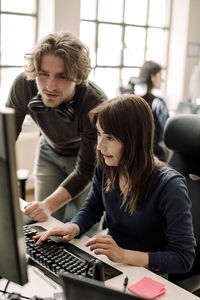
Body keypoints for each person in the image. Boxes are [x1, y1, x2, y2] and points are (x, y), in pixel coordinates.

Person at [33, 94, 196, 276]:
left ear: (134, 140)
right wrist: (73, 226)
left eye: (110, 138)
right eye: (99, 134)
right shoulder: (108, 166)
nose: (100, 146)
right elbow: (93, 207)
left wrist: (123, 255)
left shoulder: (169, 186)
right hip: (113, 263)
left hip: (149, 273)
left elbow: (183, 259)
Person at [6, 32, 107, 222]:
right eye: (43, 74)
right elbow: (5, 137)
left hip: (87, 161)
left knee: (85, 229)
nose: (50, 86)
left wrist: (49, 205)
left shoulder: (96, 104)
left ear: (77, 77)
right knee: (44, 224)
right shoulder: (23, 85)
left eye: (62, 77)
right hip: (49, 152)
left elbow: (85, 170)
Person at [139, 60, 169, 161]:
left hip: (132, 153)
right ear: (152, 77)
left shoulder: (131, 99)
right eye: (160, 76)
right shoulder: (158, 103)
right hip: (154, 155)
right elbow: (168, 132)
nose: (162, 80)